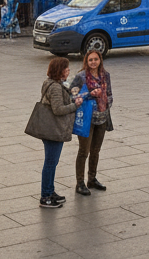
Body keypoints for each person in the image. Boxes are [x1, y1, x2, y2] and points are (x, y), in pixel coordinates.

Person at [34, 56, 85, 208]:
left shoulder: (52, 83)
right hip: (53, 130)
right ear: (60, 70)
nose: (69, 71)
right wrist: (75, 106)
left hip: (51, 129)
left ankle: (50, 190)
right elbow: (58, 110)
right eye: (66, 68)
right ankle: (46, 197)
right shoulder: (55, 86)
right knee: (50, 163)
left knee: (52, 162)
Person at [70, 50, 113, 194]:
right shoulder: (81, 77)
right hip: (86, 119)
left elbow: (109, 95)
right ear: (86, 62)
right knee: (84, 151)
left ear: (100, 60)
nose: (93, 62)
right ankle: (80, 183)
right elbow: (71, 95)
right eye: (90, 60)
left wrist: (106, 103)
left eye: (95, 59)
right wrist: (89, 95)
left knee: (96, 150)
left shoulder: (105, 76)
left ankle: (92, 178)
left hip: (101, 118)